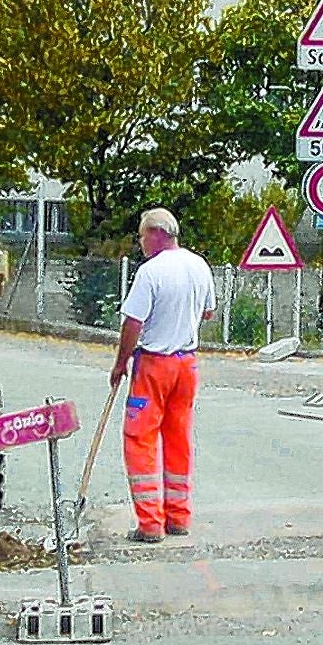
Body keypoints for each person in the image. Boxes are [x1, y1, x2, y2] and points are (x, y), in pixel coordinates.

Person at [110, 207, 215, 543]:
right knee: (178, 438)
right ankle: (179, 518)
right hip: (187, 364)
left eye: (142, 235)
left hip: (155, 364)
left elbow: (133, 323)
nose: (141, 242)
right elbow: (209, 311)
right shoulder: (199, 265)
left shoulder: (150, 272)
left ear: (156, 233)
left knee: (139, 439)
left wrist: (120, 363)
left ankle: (150, 524)